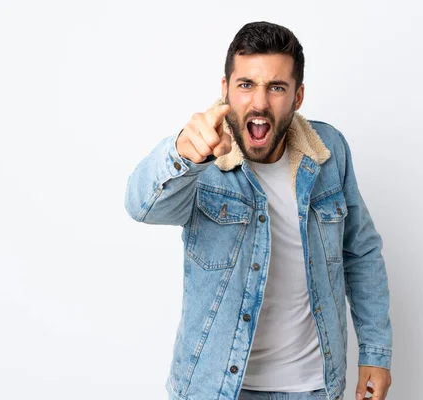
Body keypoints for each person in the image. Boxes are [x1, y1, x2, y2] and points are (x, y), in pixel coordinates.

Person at [124, 21, 392, 400]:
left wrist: (376, 352)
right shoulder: (200, 157)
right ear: (225, 90)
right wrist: (183, 152)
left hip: (314, 388)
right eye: (246, 85)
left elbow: (360, 253)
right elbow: (140, 206)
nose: (260, 102)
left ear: (298, 96)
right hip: (216, 389)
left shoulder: (329, 152)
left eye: (276, 87)